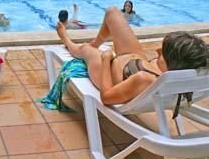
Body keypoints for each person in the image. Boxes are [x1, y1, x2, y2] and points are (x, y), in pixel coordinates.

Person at [56, 7, 208, 105]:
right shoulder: (170, 73)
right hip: (134, 59)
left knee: (84, 50)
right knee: (112, 13)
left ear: (173, 64)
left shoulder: (145, 79)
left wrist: (106, 58)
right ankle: (95, 43)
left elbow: (107, 97)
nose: (157, 50)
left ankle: (66, 40)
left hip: (108, 69)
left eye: (163, 53)